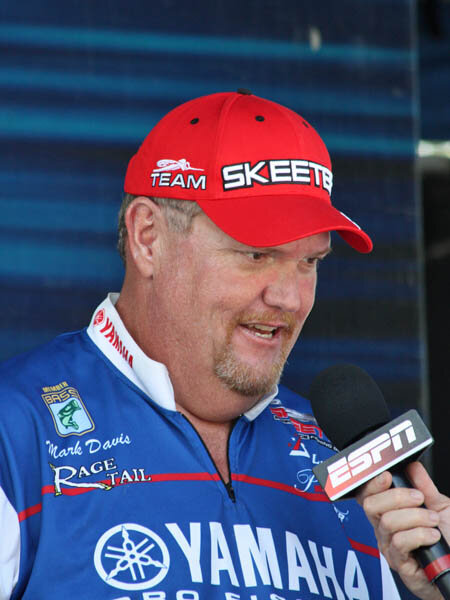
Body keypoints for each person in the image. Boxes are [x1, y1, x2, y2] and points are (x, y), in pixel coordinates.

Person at [0, 90, 448, 599]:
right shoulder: (16, 428)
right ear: (148, 237)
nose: (289, 298)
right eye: (256, 255)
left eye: (310, 262)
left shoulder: (356, 477)